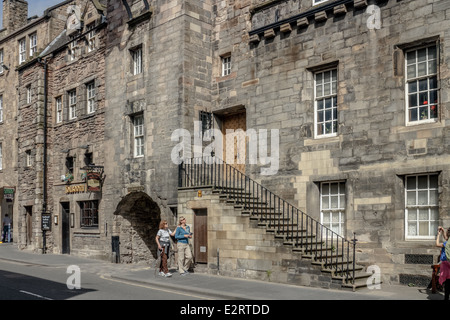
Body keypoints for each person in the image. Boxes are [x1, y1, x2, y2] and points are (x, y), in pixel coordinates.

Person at [436, 226, 450, 299]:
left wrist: (438, 235)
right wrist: (444, 231)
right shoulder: (448, 242)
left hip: (446, 264)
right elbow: (446, 238)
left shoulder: (446, 243)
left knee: (447, 283)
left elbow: (437, 244)